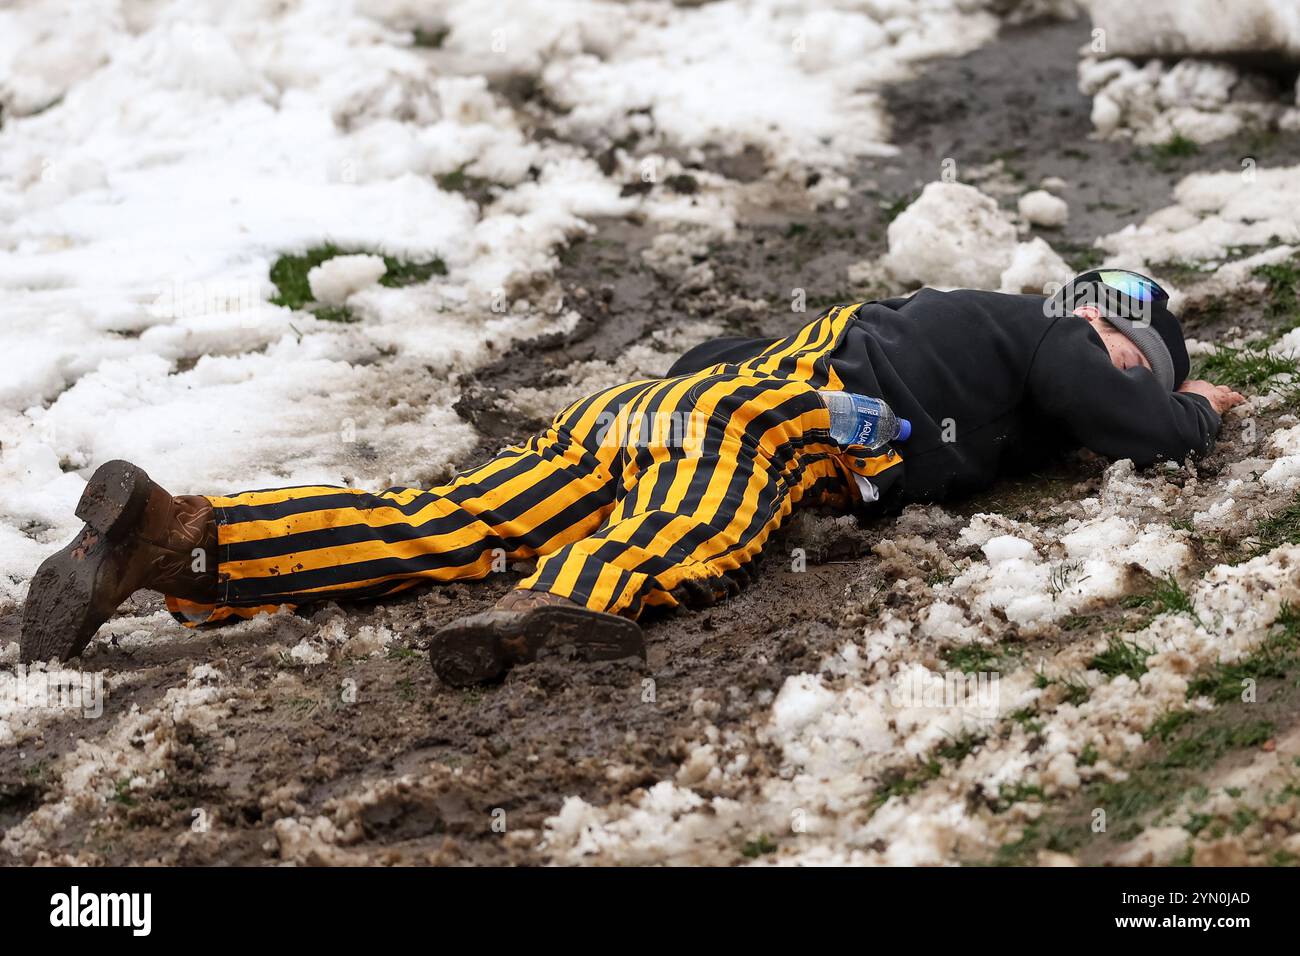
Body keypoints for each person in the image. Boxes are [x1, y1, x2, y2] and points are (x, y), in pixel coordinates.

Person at [20, 269, 1245, 683]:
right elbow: (1105, 401)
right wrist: (1186, 409)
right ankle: (537, 607)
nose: (1119, 385)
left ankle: (185, 539)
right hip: (764, 420)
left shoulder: (959, 359)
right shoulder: (1049, 332)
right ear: (1111, 321)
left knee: (446, 518)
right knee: (694, 527)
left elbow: (721, 362)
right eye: (1136, 352)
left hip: (634, 413)